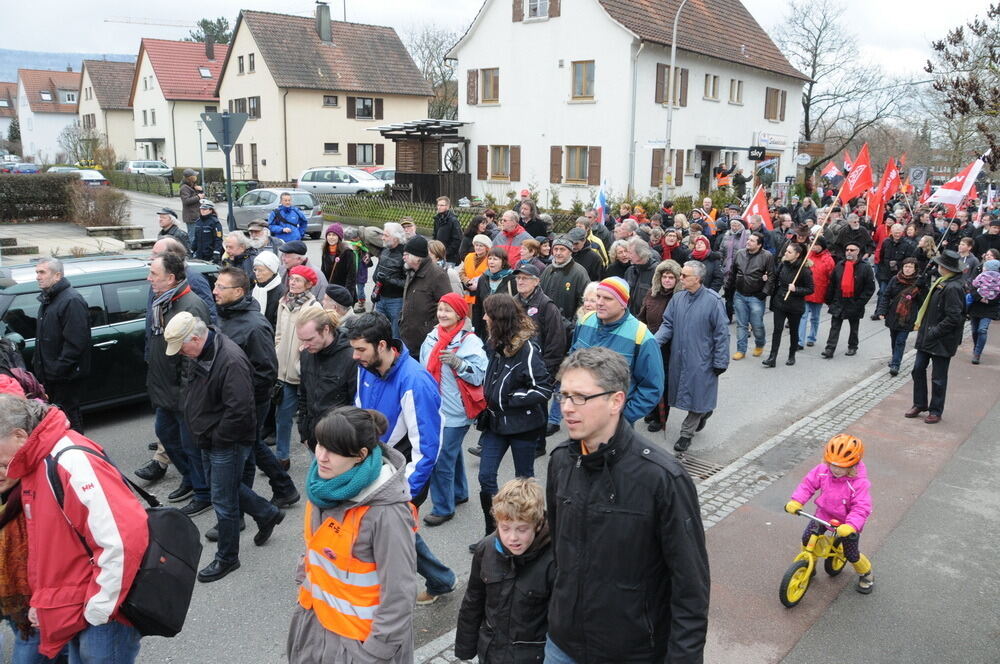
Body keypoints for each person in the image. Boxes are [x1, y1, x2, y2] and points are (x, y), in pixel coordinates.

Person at [545, 347, 709, 662]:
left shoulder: (662, 478)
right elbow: (558, 553)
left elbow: (690, 588)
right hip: (561, 645)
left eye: (580, 397)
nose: (566, 407)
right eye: (564, 395)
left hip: (631, 652)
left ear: (616, 401)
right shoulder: (561, 461)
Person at [0, 394, 148, 661]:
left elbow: (121, 540)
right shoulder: (35, 462)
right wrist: (42, 602)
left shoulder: (70, 461)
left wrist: (99, 609)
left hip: (101, 611)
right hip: (80, 606)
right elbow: (49, 548)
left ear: (20, 436)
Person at [286, 407, 417, 664]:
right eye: (320, 445)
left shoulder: (386, 513)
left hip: (359, 646)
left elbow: (399, 594)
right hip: (316, 629)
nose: (321, 457)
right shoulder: (322, 488)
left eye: (333, 450)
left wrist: (375, 652)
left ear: (360, 455)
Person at [164, 313, 285, 582]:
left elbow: (239, 410)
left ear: (196, 338)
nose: (181, 354)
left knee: (223, 499)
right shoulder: (203, 352)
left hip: (225, 441)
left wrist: (216, 437)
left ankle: (228, 557)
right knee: (222, 486)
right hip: (210, 437)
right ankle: (266, 513)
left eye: (182, 347)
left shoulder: (229, 360)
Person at [345, 313, 455, 605]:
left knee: (391, 532)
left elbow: (428, 448)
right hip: (377, 467)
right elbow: (361, 412)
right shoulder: (366, 367)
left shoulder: (415, 381)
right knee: (395, 532)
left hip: (404, 476)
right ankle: (441, 579)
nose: (355, 356)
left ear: (382, 345)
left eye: (360, 349)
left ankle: (407, 593)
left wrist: (406, 493)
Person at [214, 267, 299, 513]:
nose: (215, 290)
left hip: (249, 401)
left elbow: (266, 372)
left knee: (245, 448)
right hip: (233, 399)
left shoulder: (255, 326)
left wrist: (242, 400)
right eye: (216, 285)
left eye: (221, 287)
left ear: (238, 292)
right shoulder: (224, 314)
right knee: (251, 444)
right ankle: (284, 488)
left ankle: (242, 510)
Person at [137, 253, 213, 516]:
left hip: (182, 394)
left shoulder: (191, 305)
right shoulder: (163, 302)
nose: (149, 279)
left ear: (170, 278)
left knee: (190, 445)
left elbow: (194, 357)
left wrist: (185, 396)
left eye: (153, 274)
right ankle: (190, 478)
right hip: (165, 390)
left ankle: (204, 492)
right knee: (167, 436)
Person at [476, 294, 552, 543]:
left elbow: (543, 388)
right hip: (495, 423)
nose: (484, 318)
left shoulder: (527, 349)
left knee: (523, 483)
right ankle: (493, 534)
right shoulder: (495, 343)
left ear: (499, 318)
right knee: (486, 477)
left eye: (488, 314)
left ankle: (532, 534)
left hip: (523, 426)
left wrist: (510, 398)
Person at [455, 478, 554, 663]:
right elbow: (473, 601)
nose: (512, 538)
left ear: (538, 524)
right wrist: (465, 649)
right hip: (491, 652)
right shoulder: (486, 549)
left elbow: (561, 622)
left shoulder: (553, 560)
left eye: (522, 529)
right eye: (505, 528)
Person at [419, 293, 487, 526]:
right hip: (435, 409)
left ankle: (443, 508)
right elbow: (423, 370)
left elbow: (479, 376)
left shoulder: (469, 341)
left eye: (448, 310)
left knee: (440, 459)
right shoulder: (432, 336)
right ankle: (458, 493)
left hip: (456, 411)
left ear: (459, 314)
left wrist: (459, 364)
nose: (442, 314)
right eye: (440, 309)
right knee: (451, 453)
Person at [785, 434, 874, 594]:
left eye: (842, 466)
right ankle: (809, 565)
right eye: (832, 464)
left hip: (846, 523)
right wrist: (797, 501)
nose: (836, 469)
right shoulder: (822, 471)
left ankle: (866, 573)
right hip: (823, 515)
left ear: (853, 465)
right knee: (807, 539)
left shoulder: (859, 483)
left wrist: (851, 525)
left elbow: (861, 508)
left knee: (851, 554)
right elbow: (807, 485)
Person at [655, 260, 729, 452]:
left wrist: (720, 361)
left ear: (697, 278)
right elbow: (668, 324)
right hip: (679, 357)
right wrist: (654, 342)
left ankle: (686, 434)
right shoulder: (678, 298)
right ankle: (704, 412)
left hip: (702, 359)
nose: (680, 278)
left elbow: (721, 334)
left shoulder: (713, 301)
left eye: (684, 275)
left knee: (698, 395)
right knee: (687, 393)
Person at [570, 277, 663, 425]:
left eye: (607, 298)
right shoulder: (585, 320)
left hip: (613, 424)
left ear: (623, 303)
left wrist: (623, 418)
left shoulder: (641, 337)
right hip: (579, 416)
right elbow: (572, 360)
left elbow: (652, 388)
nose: (599, 302)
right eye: (598, 296)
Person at [31, 258, 90, 434]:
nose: (38, 276)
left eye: (42, 272)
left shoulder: (71, 300)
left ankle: (78, 450)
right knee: (56, 423)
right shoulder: (48, 299)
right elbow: (45, 338)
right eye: (37, 272)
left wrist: (57, 370)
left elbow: (76, 343)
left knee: (69, 420)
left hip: (64, 378)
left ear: (57, 276)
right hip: (49, 377)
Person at [906, 250, 966, 423]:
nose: (937, 267)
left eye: (940, 265)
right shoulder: (942, 282)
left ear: (945, 268)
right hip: (928, 336)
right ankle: (920, 403)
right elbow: (930, 305)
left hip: (941, 339)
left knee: (938, 378)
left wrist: (934, 332)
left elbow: (954, 318)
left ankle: (936, 410)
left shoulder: (953, 287)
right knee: (918, 370)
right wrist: (922, 286)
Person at [274, 265, 324, 470]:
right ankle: (281, 458)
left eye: (297, 280)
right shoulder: (283, 302)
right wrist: (278, 351)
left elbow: (318, 341)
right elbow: (278, 333)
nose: (292, 283)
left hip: (304, 374)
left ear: (309, 284)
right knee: (282, 418)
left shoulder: (314, 308)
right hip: (283, 373)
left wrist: (300, 362)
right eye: (291, 279)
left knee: (310, 422)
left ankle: (318, 463)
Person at [638, 259, 682, 432]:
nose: (667, 280)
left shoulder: (680, 298)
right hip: (649, 342)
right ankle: (652, 409)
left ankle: (660, 417)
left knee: (663, 383)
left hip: (669, 348)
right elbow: (642, 316)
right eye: (664, 277)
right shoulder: (652, 293)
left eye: (671, 277)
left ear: (677, 279)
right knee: (649, 379)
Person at [399, 234, 452, 359]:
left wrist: (429, 329)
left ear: (417, 257)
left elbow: (449, 306)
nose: (403, 257)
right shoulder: (411, 272)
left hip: (425, 342)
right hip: (408, 338)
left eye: (406, 254)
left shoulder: (437, 275)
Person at [821, 242, 876, 358]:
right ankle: (829, 349)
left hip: (854, 302)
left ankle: (852, 346)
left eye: (852, 250)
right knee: (834, 326)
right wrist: (829, 300)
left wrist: (860, 303)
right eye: (847, 250)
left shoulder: (865, 267)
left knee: (854, 327)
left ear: (858, 252)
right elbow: (832, 284)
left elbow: (869, 288)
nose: (849, 252)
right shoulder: (840, 265)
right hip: (839, 301)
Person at [764, 243, 813, 367]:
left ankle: (792, 355)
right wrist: (767, 278)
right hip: (780, 302)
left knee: (793, 331)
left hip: (795, 306)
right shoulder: (783, 265)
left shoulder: (804, 270)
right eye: (786, 251)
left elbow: (810, 289)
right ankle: (772, 357)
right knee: (777, 330)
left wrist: (796, 289)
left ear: (797, 255)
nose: (785, 253)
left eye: (789, 252)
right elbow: (775, 278)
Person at [727, 232, 774, 360]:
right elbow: (733, 272)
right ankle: (741, 350)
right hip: (740, 295)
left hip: (756, 297)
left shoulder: (767, 256)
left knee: (757, 324)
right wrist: (728, 288)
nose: (748, 242)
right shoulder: (740, 253)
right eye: (748, 239)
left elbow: (771, 276)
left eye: (752, 241)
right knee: (741, 324)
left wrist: (764, 293)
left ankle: (760, 343)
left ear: (759, 245)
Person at [879, 258, 923, 376]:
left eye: (910, 267)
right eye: (905, 266)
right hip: (893, 314)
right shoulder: (895, 279)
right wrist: (882, 310)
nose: (907, 269)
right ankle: (895, 357)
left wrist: (921, 288)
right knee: (894, 339)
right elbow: (886, 295)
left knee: (900, 341)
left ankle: (895, 364)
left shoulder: (919, 282)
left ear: (915, 269)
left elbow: (922, 301)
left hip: (908, 316)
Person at [470, 247, 516, 340]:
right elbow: (477, 305)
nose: (491, 262)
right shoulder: (483, 278)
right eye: (490, 258)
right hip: (485, 327)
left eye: (495, 259)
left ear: (503, 262)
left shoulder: (512, 279)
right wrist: (476, 330)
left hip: (505, 327)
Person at [372, 223, 408, 338]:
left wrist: (389, 280)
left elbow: (408, 283)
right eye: (383, 234)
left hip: (396, 301)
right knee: (378, 333)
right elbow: (376, 274)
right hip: (380, 298)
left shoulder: (404, 255)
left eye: (386, 235)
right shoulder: (384, 250)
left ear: (396, 237)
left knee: (394, 336)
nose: (382, 238)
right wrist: (375, 290)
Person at [874, 223, 915, 317]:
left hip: (899, 274)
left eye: (899, 233)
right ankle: (878, 312)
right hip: (886, 272)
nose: (897, 235)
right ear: (891, 232)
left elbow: (909, 260)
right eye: (895, 233)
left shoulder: (907, 245)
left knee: (897, 294)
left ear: (902, 233)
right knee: (883, 292)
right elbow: (881, 257)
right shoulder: (886, 242)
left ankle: (894, 313)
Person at [969, 260, 1000, 365]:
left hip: (990, 308)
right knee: (974, 330)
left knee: (982, 330)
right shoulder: (979, 275)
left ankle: (977, 354)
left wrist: (989, 301)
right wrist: (980, 298)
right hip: (976, 306)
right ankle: (976, 347)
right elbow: (972, 288)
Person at [320, 223, 357, 298]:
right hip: (330, 291)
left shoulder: (347, 252)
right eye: (329, 235)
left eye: (334, 235)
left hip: (343, 291)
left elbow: (351, 276)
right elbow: (323, 271)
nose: (331, 237)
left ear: (339, 237)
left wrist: (347, 294)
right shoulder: (325, 251)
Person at [624, 238, 657, 316]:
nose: (627, 256)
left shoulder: (656, 272)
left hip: (645, 319)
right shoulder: (630, 271)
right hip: (629, 316)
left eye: (630, 252)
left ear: (641, 253)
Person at [252, 251, 285, 328]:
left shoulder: (281, 292)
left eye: (261, 270)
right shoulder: (255, 288)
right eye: (255, 269)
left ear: (272, 271)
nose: (257, 273)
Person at [458, 233, 491, 307]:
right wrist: (467, 282)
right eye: (476, 245)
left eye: (481, 246)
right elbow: (461, 273)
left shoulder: (490, 259)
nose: (478, 248)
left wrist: (477, 285)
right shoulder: (469, 256)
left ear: (486, 248)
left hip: (482, 295)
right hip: (468, 294)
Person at [191, 200, 223, 264]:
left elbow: (218, 239)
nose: (202, 211)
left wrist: (216, 252)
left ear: (211, 210)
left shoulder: (215, 222)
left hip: (210, 255)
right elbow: (196, 238)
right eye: (201, 209)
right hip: (199, 255)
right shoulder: (198, 222)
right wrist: (192, 249)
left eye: (205, 209)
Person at [433, 196, 463, 265]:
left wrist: (446, 252)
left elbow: (458, 240)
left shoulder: (453, 220)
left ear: (448, 206)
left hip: (450, 257)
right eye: (438, 205)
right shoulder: (437, 219)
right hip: (438, 254)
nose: (439, 207)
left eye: (442, 205)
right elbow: (435, 235)